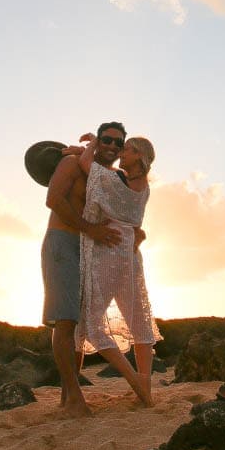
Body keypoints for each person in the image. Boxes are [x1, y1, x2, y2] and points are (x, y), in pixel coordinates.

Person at [41, 121, 126, 418]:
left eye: (118, 143)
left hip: (88, 250)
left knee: (78, 327)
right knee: (65, 321)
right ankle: (75, 398)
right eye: (107, 140)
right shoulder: (71, 163)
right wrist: (90, 229)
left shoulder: (109, 176)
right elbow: (53, 199)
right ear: (99, 140)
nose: (112, 146)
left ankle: (68, 397)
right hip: (62, 243)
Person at [76, 133, 161, 406]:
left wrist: (93, 144)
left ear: (138, 155)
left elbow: (87, 164)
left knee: (90, 322)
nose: (121, 153)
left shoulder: (113, 181)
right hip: (130, 251)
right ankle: (145, 383)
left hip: (110, 249)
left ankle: (135, 381)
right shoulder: (142, 186)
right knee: (138, 319)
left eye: (126, 149)